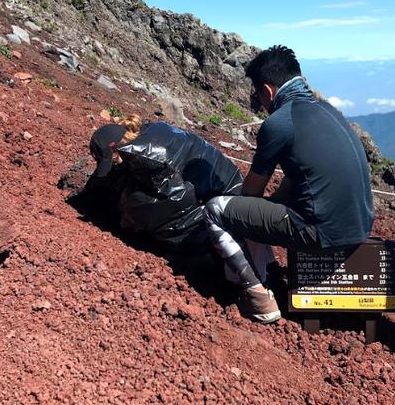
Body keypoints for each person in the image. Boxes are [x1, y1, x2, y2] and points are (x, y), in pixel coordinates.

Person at [203, 45, 374, 324]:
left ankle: (258, 296)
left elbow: (252, 191)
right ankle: (268, 270)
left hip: (321, 232)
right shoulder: (328, 110)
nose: (258, 100)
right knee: (259, 211)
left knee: (215, 210)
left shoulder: (279, 123)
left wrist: (249, 209)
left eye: (257, 93)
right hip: (359, 225)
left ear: (268, 91)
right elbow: (300, 176)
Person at [68, 114, 243, 251]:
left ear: (117, 148)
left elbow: (177, 197)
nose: (114, 165)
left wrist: (130, 216)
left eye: (112, 160)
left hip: (223, 204)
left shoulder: (146, 156)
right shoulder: (148, 131)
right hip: (236, 187)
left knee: (137, 203)